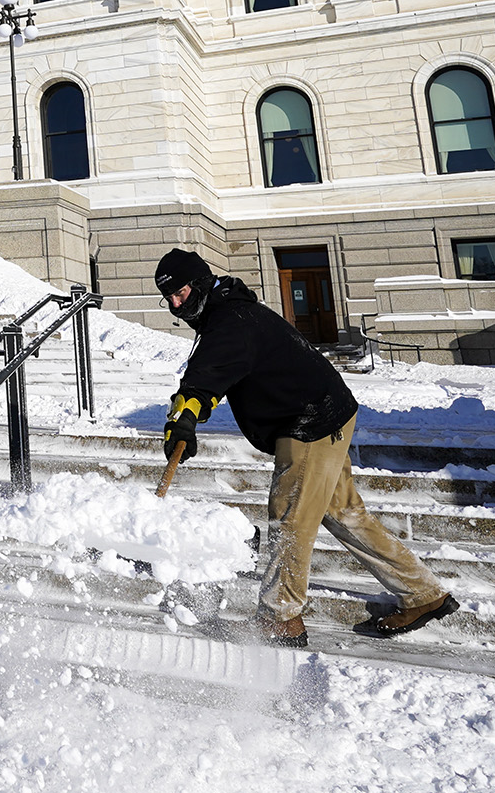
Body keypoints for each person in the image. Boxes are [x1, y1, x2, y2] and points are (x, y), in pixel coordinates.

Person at [154, 248, 456, 647]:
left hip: (310, 421)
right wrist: (183, 416)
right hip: (327, 411)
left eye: (181, 292)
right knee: (345, 515)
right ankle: (423, 595)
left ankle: (280, 618)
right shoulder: (226, 310)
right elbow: (210, 369)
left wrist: (184, 419)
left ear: (201, 281)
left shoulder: (230, 320)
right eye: (169, 298)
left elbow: (204, 377)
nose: (177, 304)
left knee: (290, 517)